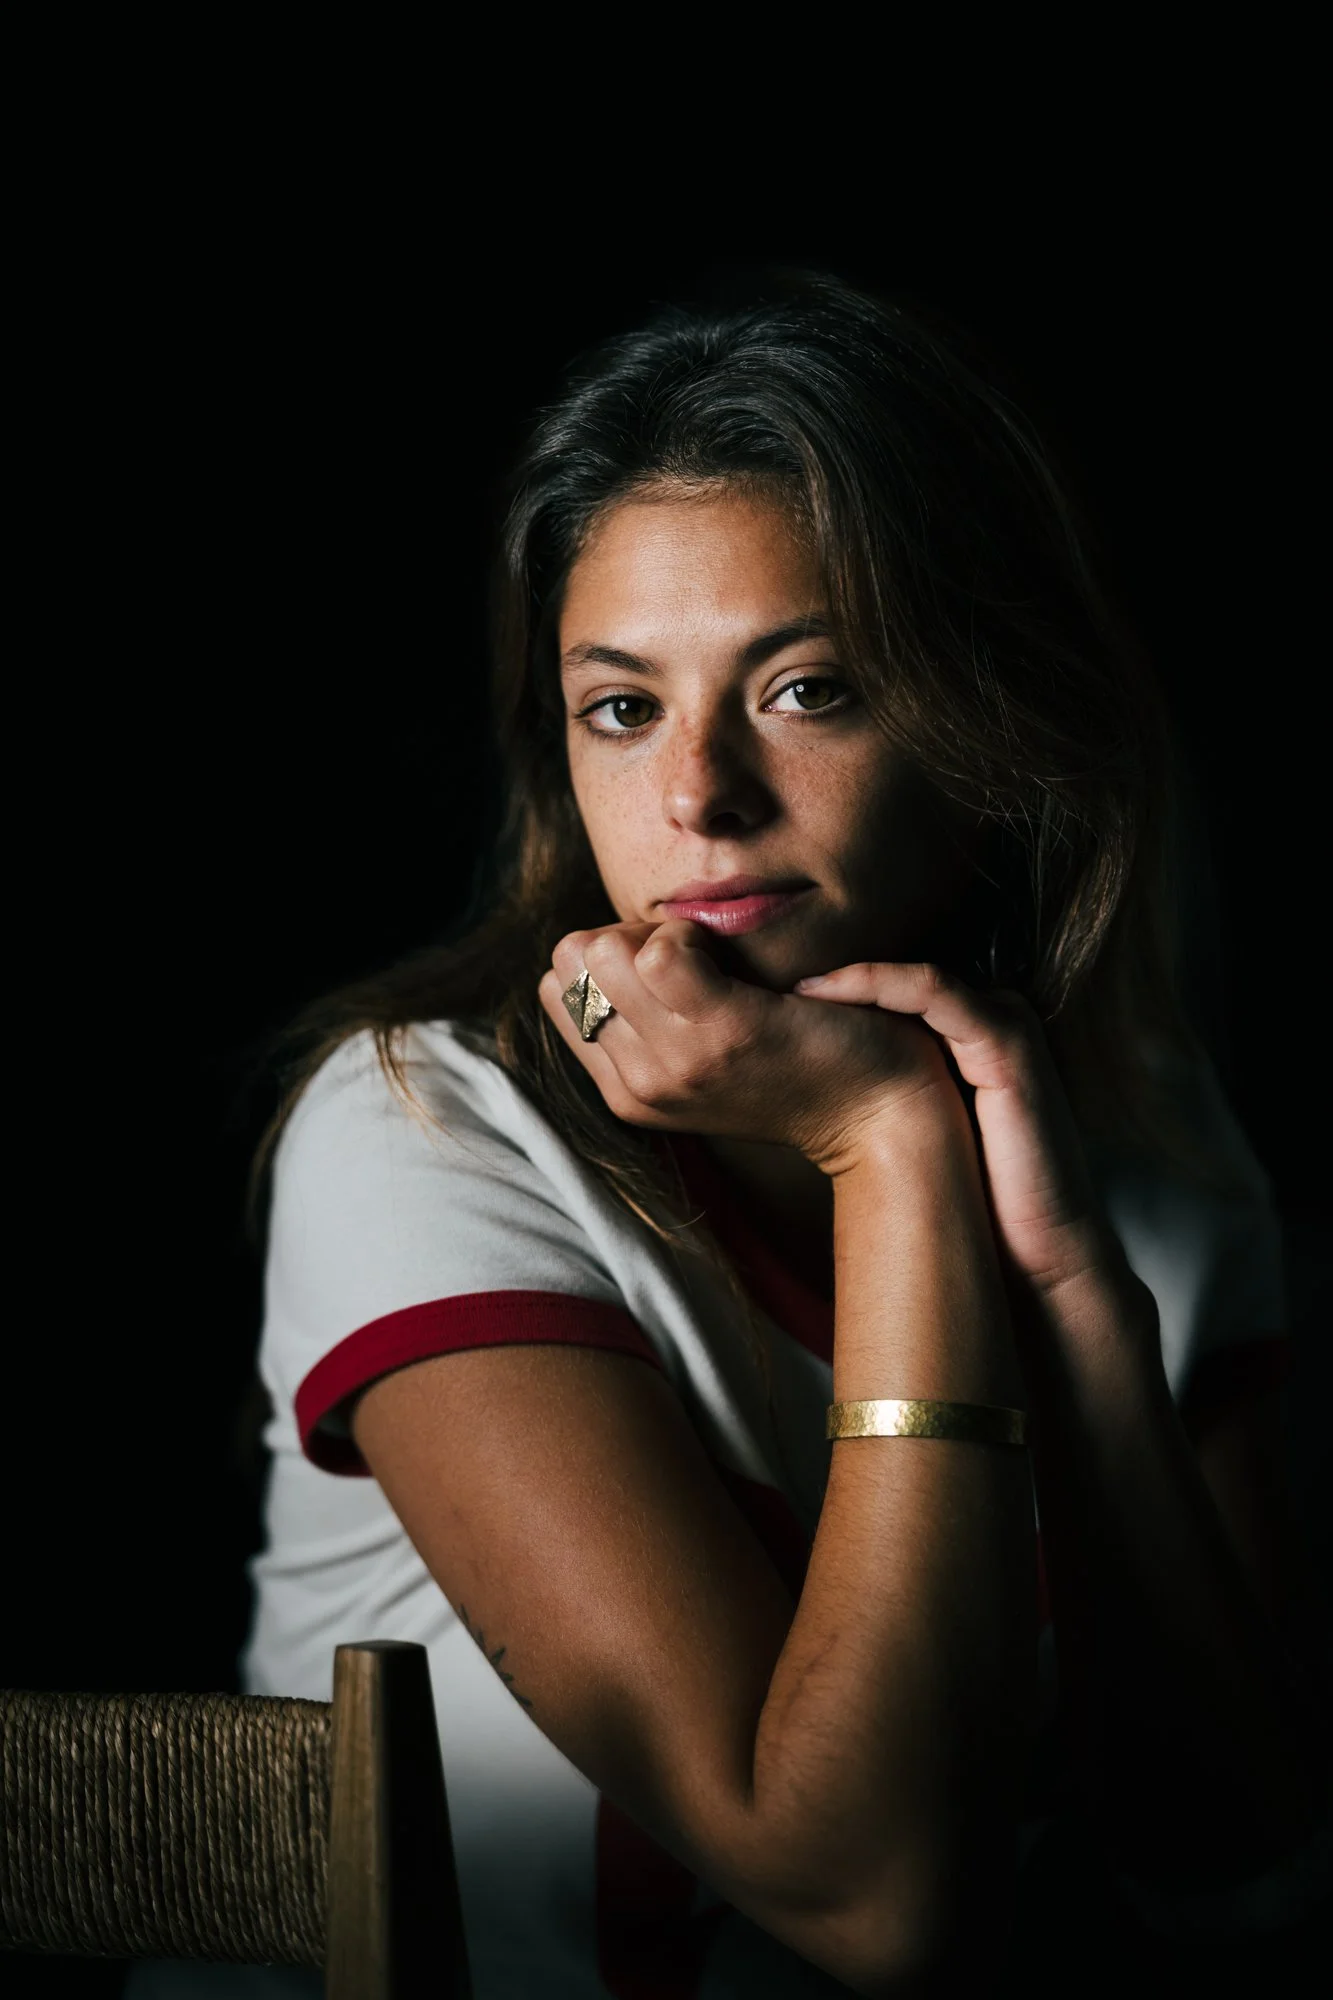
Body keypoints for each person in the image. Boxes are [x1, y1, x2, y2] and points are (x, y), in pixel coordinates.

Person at [153, 275, 1331, 1998]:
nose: (698, 792)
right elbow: (872, 1903)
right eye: (622, 708)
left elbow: (1234, 1869)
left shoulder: (1139, 1117)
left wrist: (1076, 1287)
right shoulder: (423, 1127)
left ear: (993, 717)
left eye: (808, 688)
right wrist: (888, 1136)